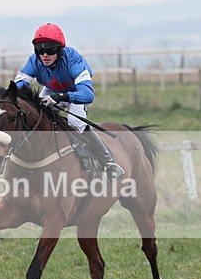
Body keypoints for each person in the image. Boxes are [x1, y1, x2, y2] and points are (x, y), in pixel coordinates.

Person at [14, 23, 124, 180]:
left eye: (50, 49)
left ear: (60, 50)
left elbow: (87, 94)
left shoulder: (74, 60)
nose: (44, 55)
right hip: (51, 91)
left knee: (74, 121)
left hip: (76, 93)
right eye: (39, 49)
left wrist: (61, 97)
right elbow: (18, 86)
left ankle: (108, 161)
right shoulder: (34, 60)